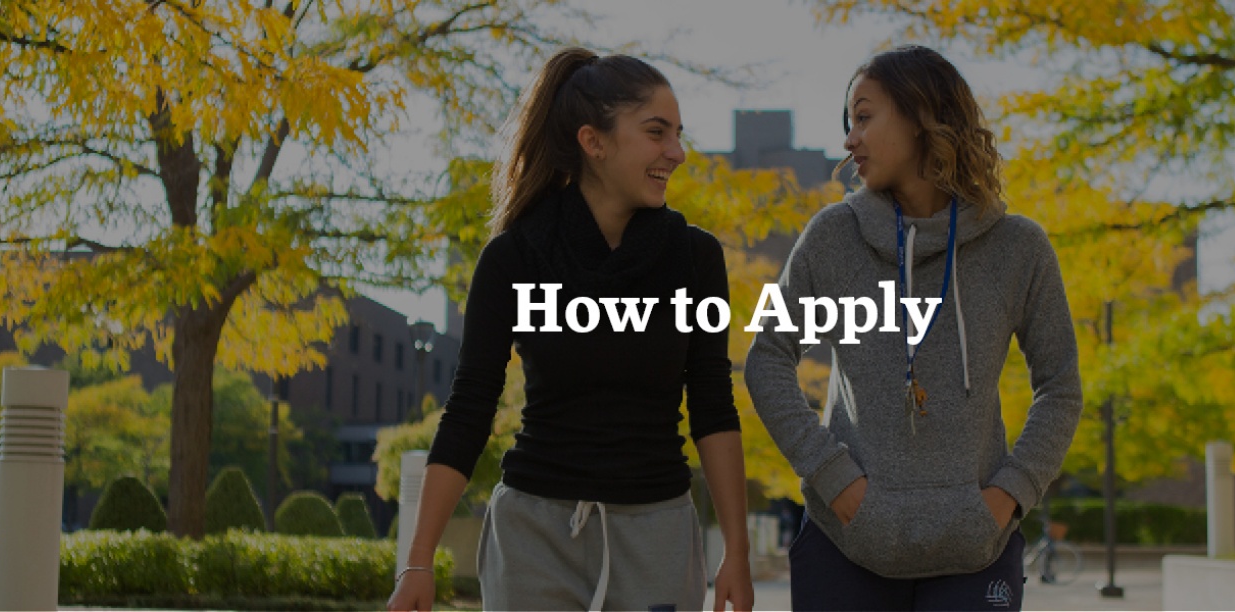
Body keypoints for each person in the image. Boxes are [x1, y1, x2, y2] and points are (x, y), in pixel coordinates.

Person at [385, 47, 753, 612]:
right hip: (533, 538)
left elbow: (713, 405)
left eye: (678, 134)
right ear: (593, 141)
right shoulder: (514, 257)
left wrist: (738, 551)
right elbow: (469, 408)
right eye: (657, 133)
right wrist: (417, 561)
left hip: (657, 535)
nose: (676, 153)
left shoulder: (694, 258)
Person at [746, 45, 1083, 611]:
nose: (849, 140)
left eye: (864, 116)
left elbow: (1061, 387)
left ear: (923, 116)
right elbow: (768, 359)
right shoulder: (833, 236)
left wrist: (1009, 493)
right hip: (845, 544)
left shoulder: (1019, 248)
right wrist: (838, 483)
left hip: (975, 547)